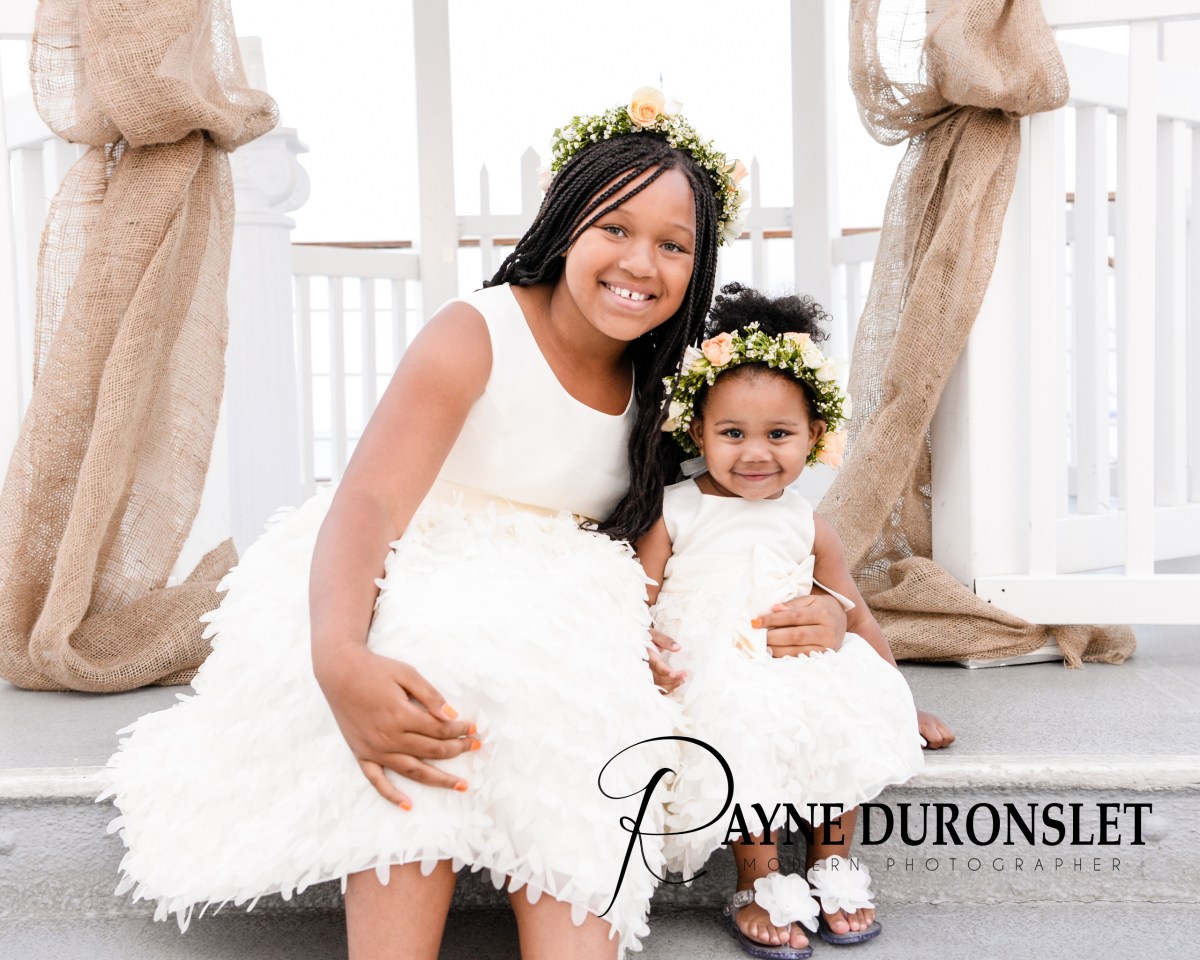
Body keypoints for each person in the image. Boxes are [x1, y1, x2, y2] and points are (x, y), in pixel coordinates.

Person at [100, 89, 851, 960]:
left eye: (673, 244)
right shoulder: (476, 332)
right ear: (565, 221)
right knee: (435, 661)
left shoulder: (669, 383)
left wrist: (837, 612)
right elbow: (369, 502)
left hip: (564, 597)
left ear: (700, 261)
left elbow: (734, 520)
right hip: (419, 562)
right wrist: (339, 656)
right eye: (615, 226)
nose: (640, 262)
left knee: (582, 704)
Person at [636, 283, 946, 959]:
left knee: (840, 715)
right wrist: (644, 650)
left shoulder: (805, 521)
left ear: (815, 436)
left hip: (792, 659)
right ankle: (760, 878)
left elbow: (852, 614)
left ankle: (832, 863)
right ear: (697, 431)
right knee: (745, 734)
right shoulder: (674, 511)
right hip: (713, 669)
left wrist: (901, 699)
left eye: (779, 434)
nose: (756, 453)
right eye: (732, 433)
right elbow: (635, 601)